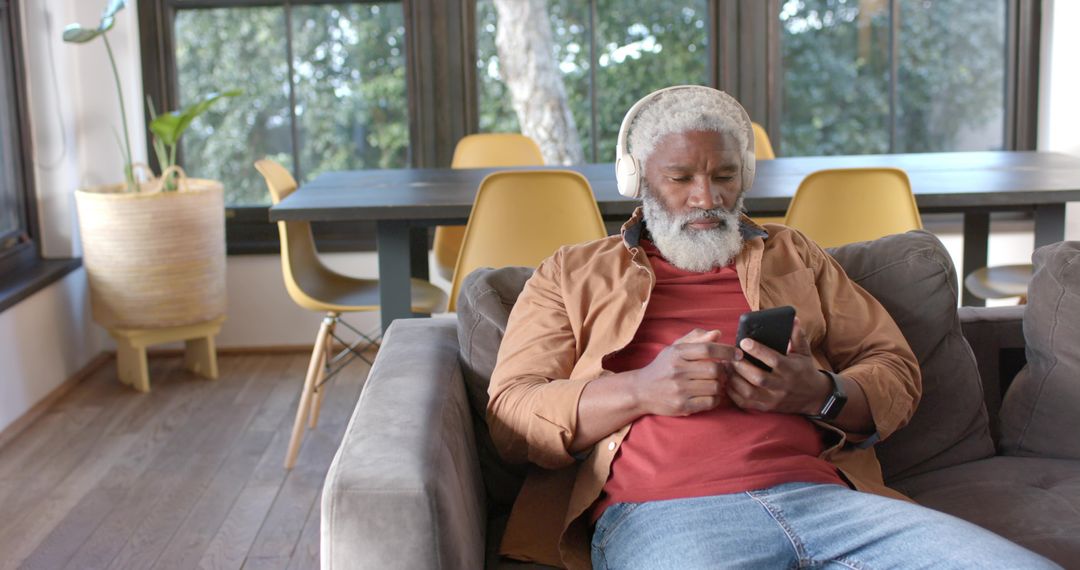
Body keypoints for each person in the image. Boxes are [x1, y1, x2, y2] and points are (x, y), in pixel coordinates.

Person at [485, 85, 1059, 570]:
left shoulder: (794, 256)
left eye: (724, 176)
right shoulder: (571, 273)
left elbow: (895, 370)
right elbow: (511, 415)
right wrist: (639, 390)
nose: (705, 198)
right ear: (637, 178)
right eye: (680, 177)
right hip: (667, 516)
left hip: (832, 504)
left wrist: (820, 393)